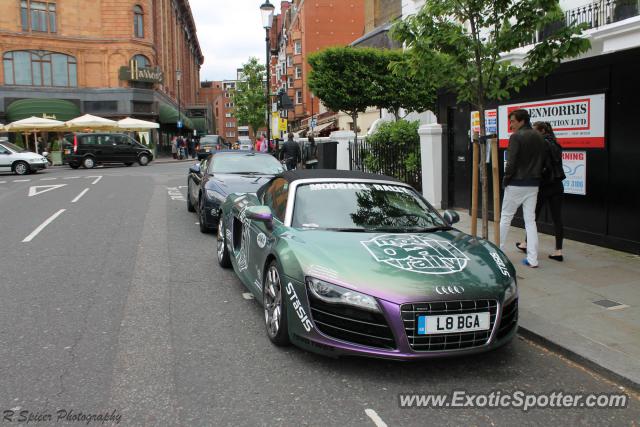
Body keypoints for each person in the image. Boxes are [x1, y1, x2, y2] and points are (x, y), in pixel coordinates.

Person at [499, 109, 548, 268]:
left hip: (516, 183)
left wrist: (506, 179)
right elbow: (543, 162)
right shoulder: (540, 137)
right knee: (530, 221)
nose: (511, 125)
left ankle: (498, 252)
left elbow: (511, 162)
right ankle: (533, 259)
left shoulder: (516, 137)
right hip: (533, 184)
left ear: (521, 121)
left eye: (512, 121)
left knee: (506, 217)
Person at [516, 122, 566, 261]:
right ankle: (558, 251)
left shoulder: (541, 144)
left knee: (532, 217)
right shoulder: (555, 144)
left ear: (542, 131)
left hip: (543, 185)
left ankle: (526, 244)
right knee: (557, 219)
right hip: (557, 185)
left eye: (535, 131)